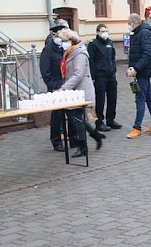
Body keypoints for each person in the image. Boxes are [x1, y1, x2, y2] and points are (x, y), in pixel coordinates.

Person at [57, 28, 105, 157]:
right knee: (77, 118)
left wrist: (64, 88)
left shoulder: (79, 53)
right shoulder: (71, 52)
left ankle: (83, 147)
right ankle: (95, 135)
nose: (62, 43)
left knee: (77, 119)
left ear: (70, 41)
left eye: (63, 41)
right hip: (75, 91)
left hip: (81, 91)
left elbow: (78, 74)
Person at [125, 13, 151, 138]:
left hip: (143, 72)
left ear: (134, 22)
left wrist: (136, 68)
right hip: (142, 71)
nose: (128, 26)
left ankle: (137, 128)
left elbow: (146, 54)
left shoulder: (143, 33)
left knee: (140, 99)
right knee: (148, 97)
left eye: (128, 23)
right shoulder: (139, 33)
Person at [40, 18, 69, 152]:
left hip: (68, 85)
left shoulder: (66, 47)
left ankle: (72, 137)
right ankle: (56, 141)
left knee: (70, 113)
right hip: (56, 86)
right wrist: (54, 85)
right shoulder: (49, 49)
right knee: (57, 114)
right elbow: (46, 72)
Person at [86, 23, 121, 131]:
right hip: (100, 76)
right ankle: (99, 122)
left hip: (111, 75)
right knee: (100, 100)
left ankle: (110, 120)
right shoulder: (93, 44)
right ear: (97, 32)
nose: (105, 33)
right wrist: (92, 76)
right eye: (102, 31)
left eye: (106, 31)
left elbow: (113, 57)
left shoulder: (109, 43)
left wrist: (114, 69)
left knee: (112, 98)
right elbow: (91, 61)